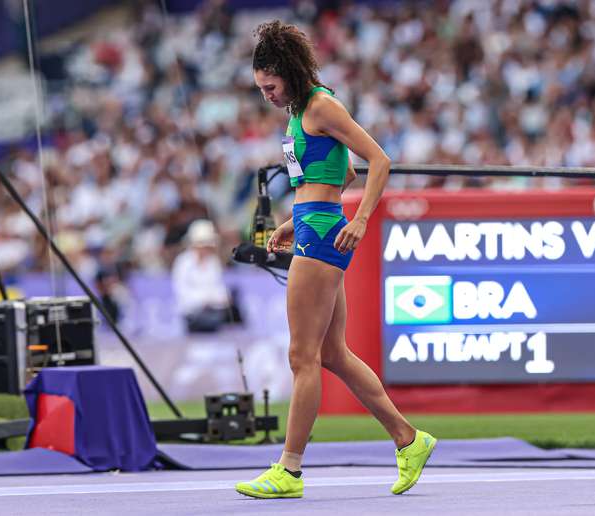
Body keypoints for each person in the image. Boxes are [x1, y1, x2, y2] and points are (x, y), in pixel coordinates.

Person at [236, 21, 436, 499]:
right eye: (260, 88)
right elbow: (340, 170)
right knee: (331, 355)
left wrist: (360, 219)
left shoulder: (322, 104)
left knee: (301, 356)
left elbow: (377, 161)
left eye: (270, 85)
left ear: (288, 72)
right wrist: (294, 219)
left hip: (324, 234)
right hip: (312, 225)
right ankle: (409, 439)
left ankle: (289, 470)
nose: (265, 94)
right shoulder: (298, 110)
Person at [171, 219, 236, 332]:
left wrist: (222, 298)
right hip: (192, 316)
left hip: (214, 313)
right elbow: (182, 292)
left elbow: (218, 288)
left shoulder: (213, 262)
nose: (206, 248)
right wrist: (206, 299)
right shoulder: (183, 263)